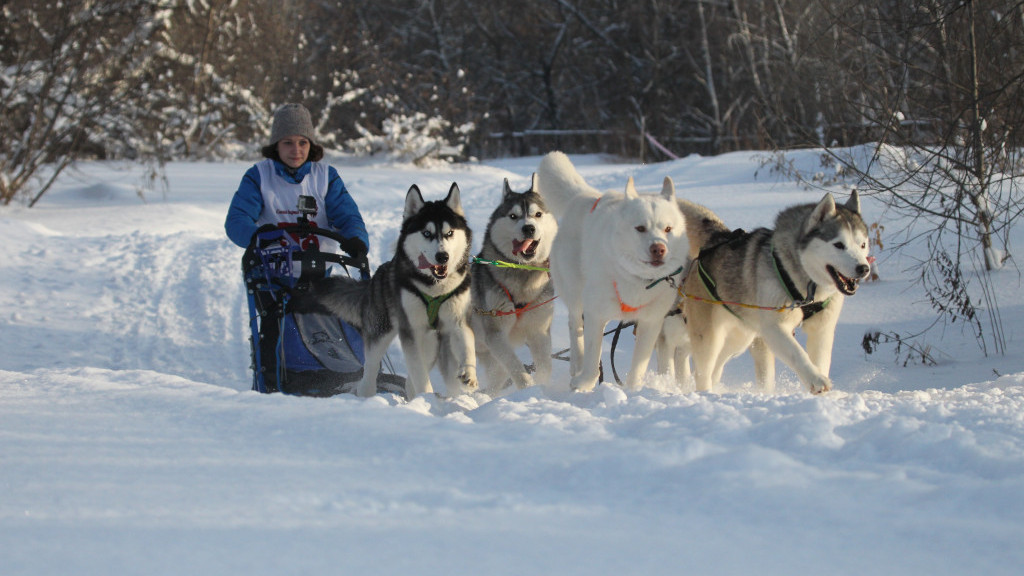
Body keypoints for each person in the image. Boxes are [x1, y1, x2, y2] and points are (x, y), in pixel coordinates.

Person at [225, 103, 369, 394]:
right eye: (288, 143)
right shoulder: (259, 176)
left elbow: (348, 217)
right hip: (273, 273)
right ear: (275, 145)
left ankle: (340, 376)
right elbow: (237, 221)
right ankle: (274, 381)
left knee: (334, 325)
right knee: (277, 328)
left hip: (320, 270)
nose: (296, 150)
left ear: (311, 145)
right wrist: (258, 236)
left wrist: (356, 240)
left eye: (303, 143)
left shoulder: (325, 176)